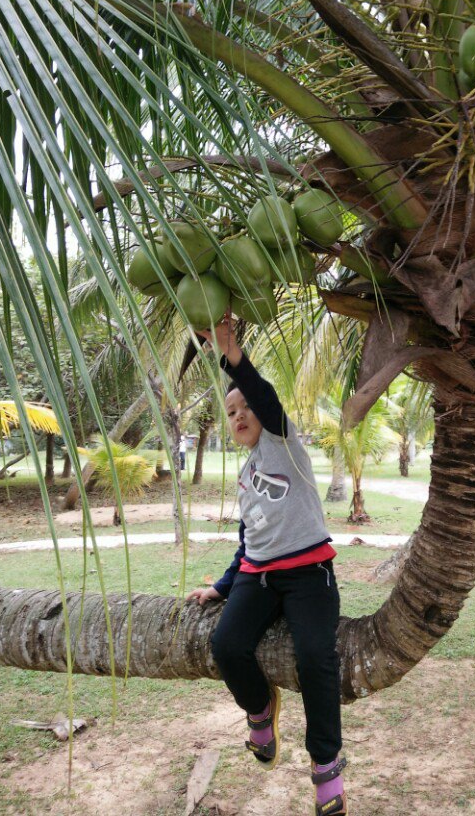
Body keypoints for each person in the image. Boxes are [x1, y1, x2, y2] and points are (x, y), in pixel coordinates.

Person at [186, 315, 347, 816]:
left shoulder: (283, 444)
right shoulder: (245, 472)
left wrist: (232, 354)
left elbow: (263, 392)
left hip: (307, 574)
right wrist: (221, 586)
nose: (238, 415)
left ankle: (325, 767)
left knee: (315, 656)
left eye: (245, 406)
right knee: (226, 645)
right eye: (230, 411)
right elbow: (248, 540)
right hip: (258, 576)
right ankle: (260, 712)